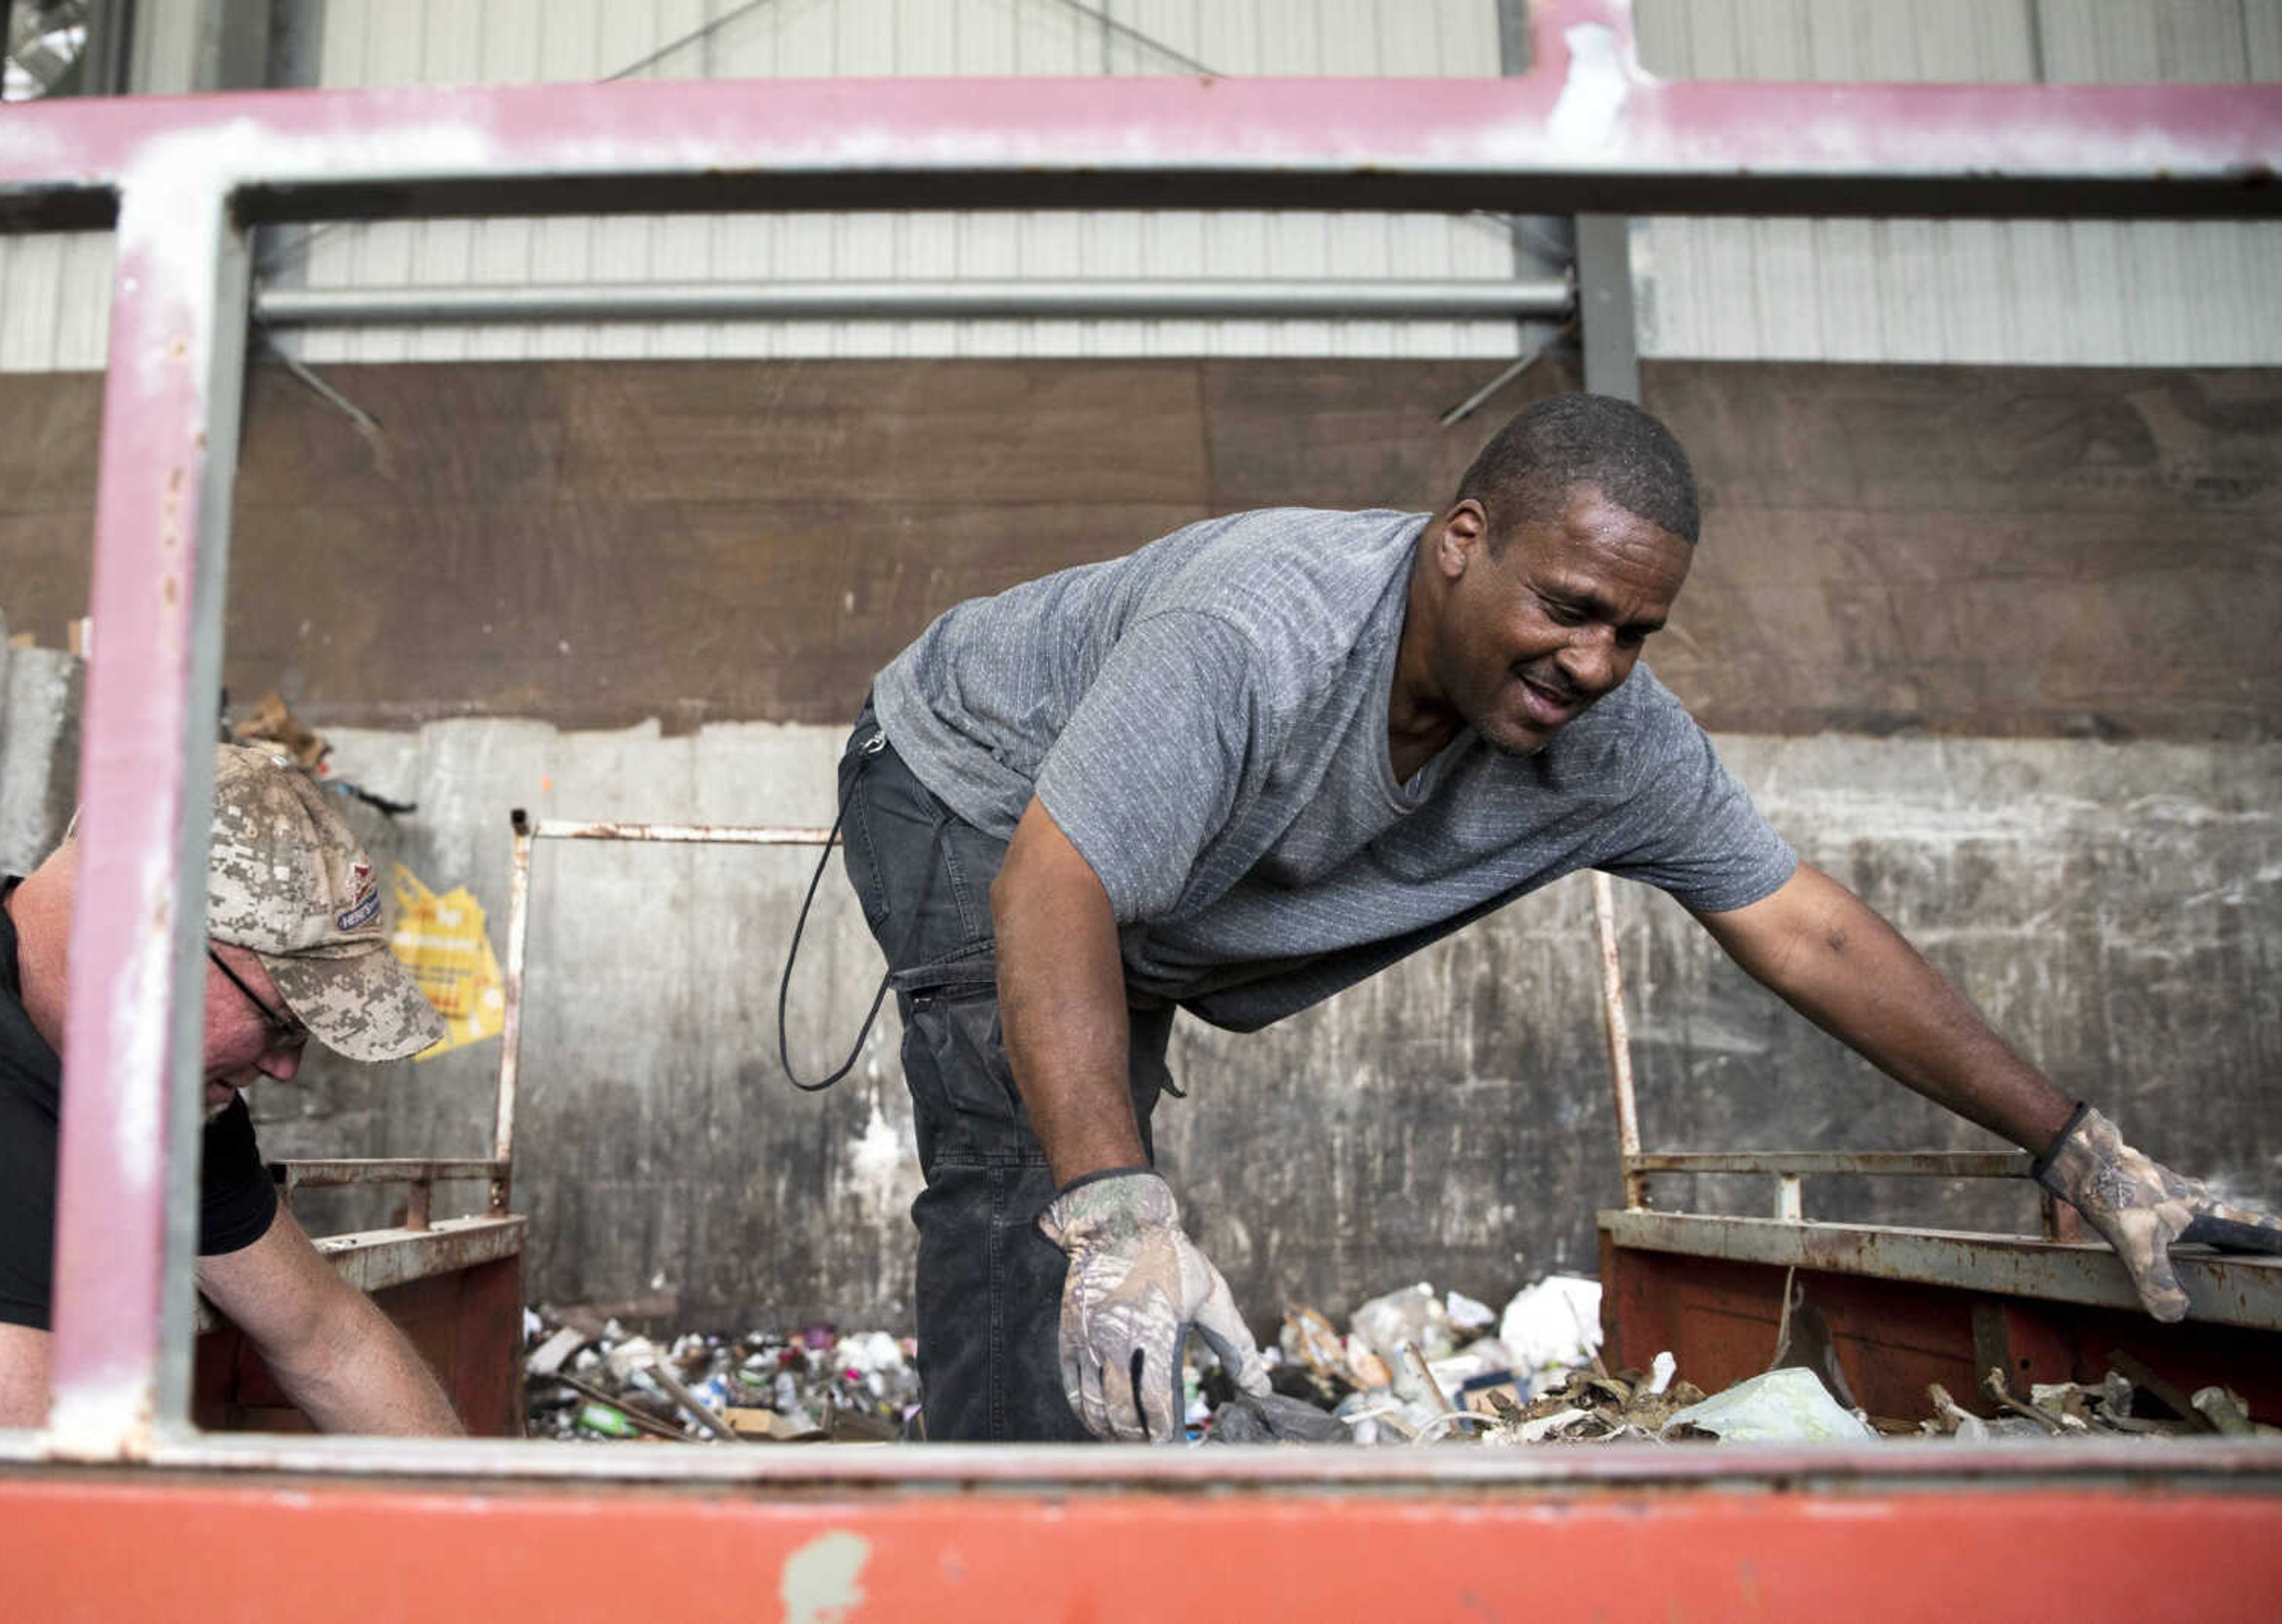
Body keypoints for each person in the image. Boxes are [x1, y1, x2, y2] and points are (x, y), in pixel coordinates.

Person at [839, 393, 2282, 1444]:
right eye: (1568, 604)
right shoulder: (1254, 634)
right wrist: (1112, 1210)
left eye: (1634, 630)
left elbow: (1803, 925)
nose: (1594, 662)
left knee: (1093, 1149)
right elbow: (1053, 885)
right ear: (1458, 539)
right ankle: (990, 1543)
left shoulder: (1606, 734)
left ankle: (1070, 1459)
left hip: (1134, 863)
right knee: (1039, 1163)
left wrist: (2078, 1147)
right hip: (969, 779)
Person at [0, 743, 462, 1432]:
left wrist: (483, 1530)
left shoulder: (147, 1078)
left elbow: (329, 1340)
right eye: (281, 1021)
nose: (286, 1067)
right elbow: (36, 1507)